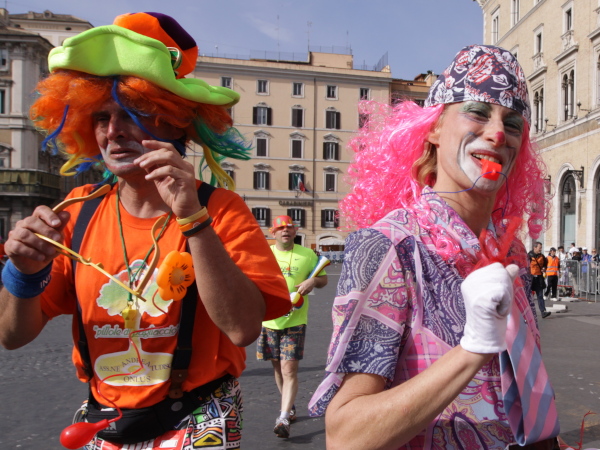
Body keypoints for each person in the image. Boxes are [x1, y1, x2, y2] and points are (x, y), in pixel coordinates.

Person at [0, 13, 291, 450]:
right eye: (101, 117)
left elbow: (243, 328)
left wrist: (193, 220)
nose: (113, 131)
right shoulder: (76, 211)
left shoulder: (220, 209)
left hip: (198, 415)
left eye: (133, 114)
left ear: (175, 123)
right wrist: (23, 273)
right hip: (105, 420)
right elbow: (11, 336)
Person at [308, 45, 559, 449]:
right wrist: (472, 348)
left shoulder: (511, 251)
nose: (497, 133)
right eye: (477, 112)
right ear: (434, 129)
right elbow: (345, 436)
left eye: (512, 123)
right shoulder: (389, 247)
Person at [257, 215, 328, 439]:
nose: (285, 231)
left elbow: (323, 279)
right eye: (280, 228)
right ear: (273, 233)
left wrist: (312, 281)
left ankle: (283, 417)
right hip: (269, 320)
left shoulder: (307, 254)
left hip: (295, 321)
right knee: (278, 368)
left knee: (289, 369)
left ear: (295, 231)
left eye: (289, 227)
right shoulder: (264, 254)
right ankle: (290, 407)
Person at [528, 241, 551, 318]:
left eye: (541, 248)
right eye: (539, 248)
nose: (541, 249)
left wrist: (544, 268)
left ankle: (543, 312)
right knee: (529, 296)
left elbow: (545, 264)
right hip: (531, 278)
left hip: (539, 278)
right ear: (535, 247)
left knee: (540, 295)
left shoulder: (542, 256)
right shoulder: (529, 256)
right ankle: (528, 313)